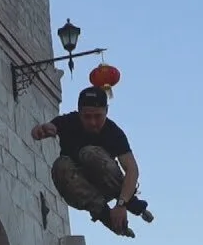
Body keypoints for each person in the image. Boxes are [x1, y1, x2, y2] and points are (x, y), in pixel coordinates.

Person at [31, 86, 153, 237]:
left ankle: (132, 203)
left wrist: (122, 203)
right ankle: (109, 218)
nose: (93, 122)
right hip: (81, 185)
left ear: (106, 111)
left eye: (98, 116)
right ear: (79, 112)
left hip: (106, 180)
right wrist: (41, 130)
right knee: (60, 166)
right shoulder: (69, 121)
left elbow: (132, 169)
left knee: (89, 153)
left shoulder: (113, 132)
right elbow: (49, 127)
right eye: (87, 117)